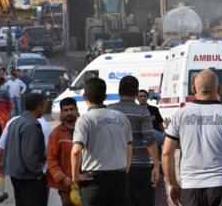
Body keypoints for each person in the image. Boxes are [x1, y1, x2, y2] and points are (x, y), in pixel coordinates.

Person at [162, 69, 222, 206]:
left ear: (194, 88)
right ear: (218, 89)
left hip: (191, 187)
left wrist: (171, 184)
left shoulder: (180, 115)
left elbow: (167, 153)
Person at [71, 77, 132, 206]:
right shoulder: (122, 117)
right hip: (119, 180)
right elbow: (129, 148)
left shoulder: (85, 120)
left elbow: (76, 151)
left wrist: (75, 176)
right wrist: (124, 173)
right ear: (105, 96)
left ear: (84, 96)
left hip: (94, 182)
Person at [108, 76, 160, 206]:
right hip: (140, 168)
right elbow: (149, 139)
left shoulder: (109, 110)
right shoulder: (142, 111)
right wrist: (157, 165)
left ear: (119, 91)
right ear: (136, 93)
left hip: (115, 168)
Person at [2, 93, 48, 206]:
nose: (46, 108)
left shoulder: (15, 122)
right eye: (45, 105)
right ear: (39, 106)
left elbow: (6, 148)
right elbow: (29, 155)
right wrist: (38, 172)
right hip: (28, 177)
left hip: (16, 175)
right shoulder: (31, 125)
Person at [137, 89, 168, 206]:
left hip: (156, 142)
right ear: (137, 98)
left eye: (144, 96)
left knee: (158, 171)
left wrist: (163, 136)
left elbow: (160, 125)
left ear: (147, 97)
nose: (143, 98)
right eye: (140, 96)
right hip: (143, 146)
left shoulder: (154, 110)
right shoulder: (137, 111)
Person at [47, 97, 79, 206]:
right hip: (66, 184)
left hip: (84, 180)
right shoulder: (56, 134)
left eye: (71, 109)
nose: (69, 112)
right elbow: (51, 159)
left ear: (76, 110)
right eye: (65, 110)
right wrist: (63, 177)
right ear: (61, 112)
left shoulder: (84, 129)